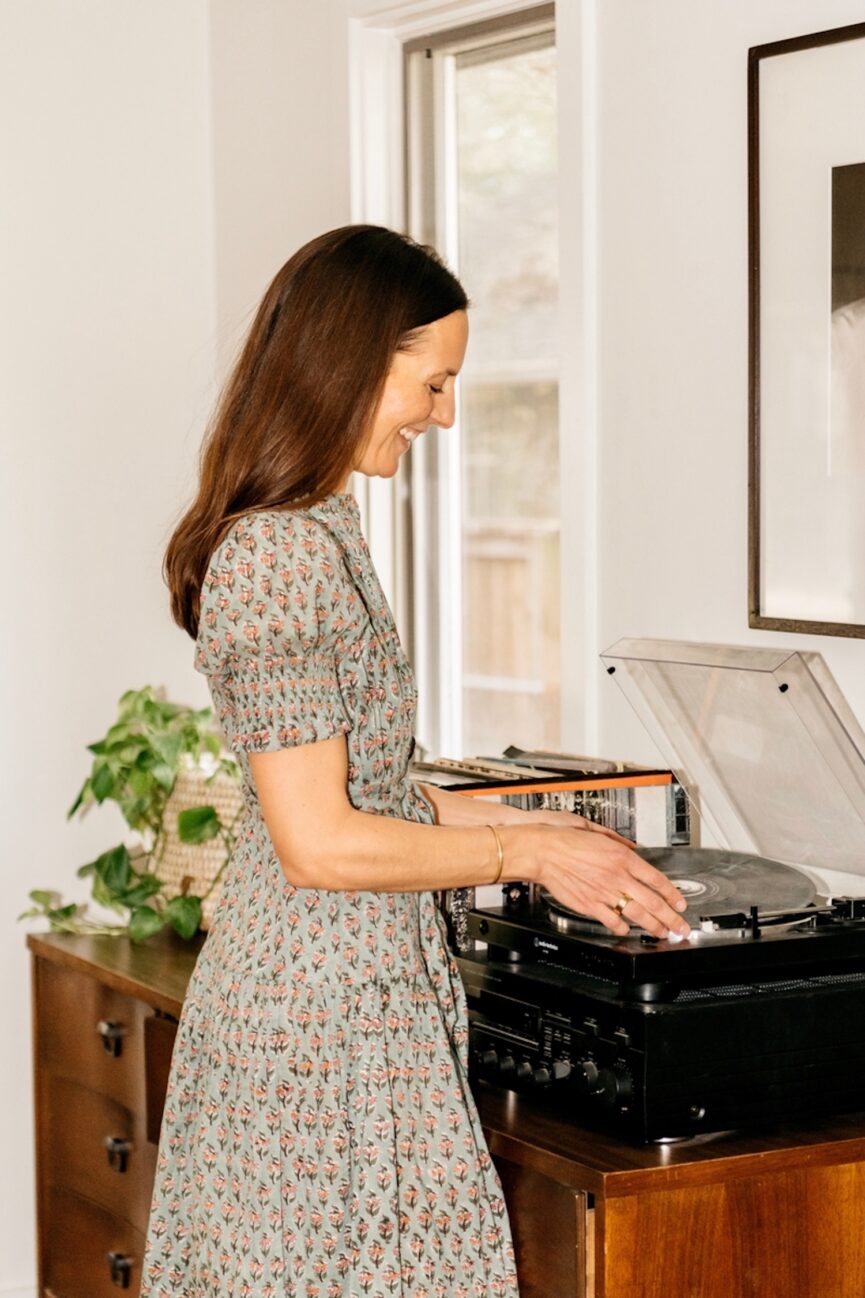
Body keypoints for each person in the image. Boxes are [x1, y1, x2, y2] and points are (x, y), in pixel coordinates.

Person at [142, 225, 689, 1298]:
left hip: (356, 997)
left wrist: (546, 825)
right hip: (313, 1025)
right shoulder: (279, 550)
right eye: (433, 384)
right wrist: (520, 847)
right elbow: (318, 841)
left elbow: (368, 790)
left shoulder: (323, 525)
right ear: (352, 361)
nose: (444, 415)